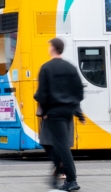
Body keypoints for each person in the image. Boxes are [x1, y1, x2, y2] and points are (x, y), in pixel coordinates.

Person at [34, 37, 84, 192]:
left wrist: (45, 109)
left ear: (53, 48)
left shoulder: (46, 68)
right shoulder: (71, 68)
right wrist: (77, 111)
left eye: (49, 46)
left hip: (53, 112)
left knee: (58, 145)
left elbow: (42, 93)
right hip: (67, 112)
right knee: (58, 144)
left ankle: (71, 179)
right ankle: (60, 170)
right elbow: (79, 92)